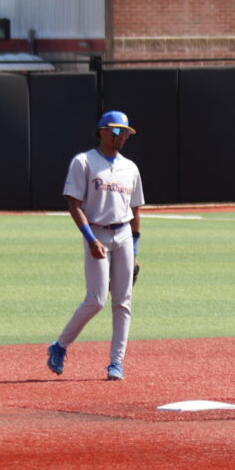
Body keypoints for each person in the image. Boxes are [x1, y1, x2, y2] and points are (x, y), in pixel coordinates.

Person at [47, 110, 145, 381]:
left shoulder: (130, 168)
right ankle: (60, 346)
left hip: (123, 234)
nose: (122, 136)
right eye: (116, 131)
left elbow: (135, 209)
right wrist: (90, 239)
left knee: (123, 301)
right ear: (101, 131)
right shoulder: (84, 162)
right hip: (97, 233)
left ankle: (116, 363)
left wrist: (135, 249)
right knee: (97, 299)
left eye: (125, 132)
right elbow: (73, 204)